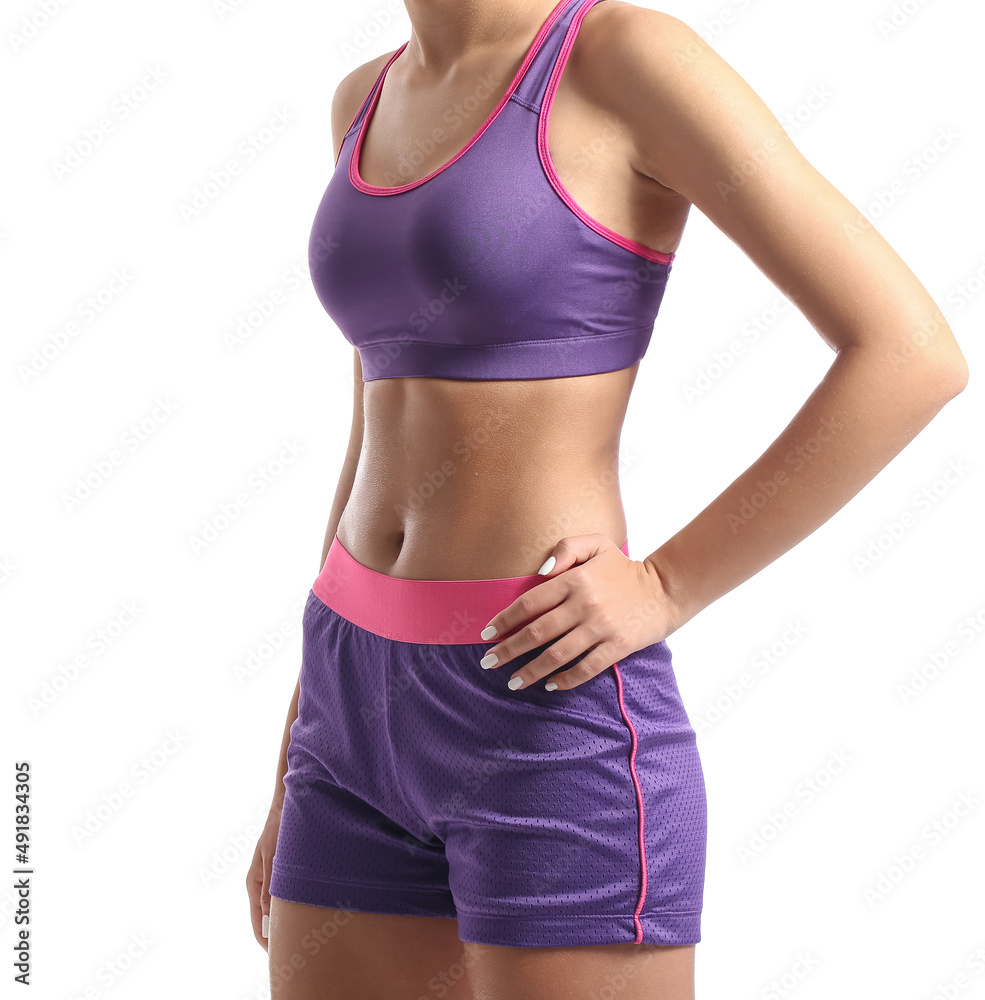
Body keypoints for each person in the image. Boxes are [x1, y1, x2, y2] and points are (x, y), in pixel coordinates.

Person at [246, 1, 969, 996]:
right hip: (349, 698)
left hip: (537, 694)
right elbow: (376, 417)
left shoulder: (623, 58)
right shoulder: (364, 98)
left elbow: (908, 353)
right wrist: (302, 740)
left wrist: (668, 584)